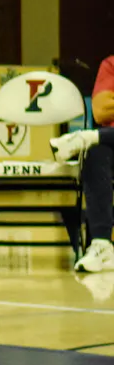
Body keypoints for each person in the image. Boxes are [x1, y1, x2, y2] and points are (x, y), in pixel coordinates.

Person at [51, 53, 114, 273]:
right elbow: (101, 111)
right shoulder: (111, 64)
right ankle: (102, 245)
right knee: (94, 153)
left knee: (94, 140)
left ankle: (86, 137)